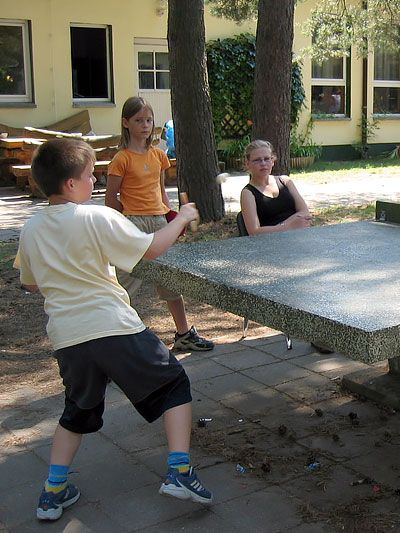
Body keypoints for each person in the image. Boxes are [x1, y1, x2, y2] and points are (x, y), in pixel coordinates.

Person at [15, 138, 213, 522]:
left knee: (77, 409)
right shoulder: (95, 217)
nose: (95, 184)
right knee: (174, 384)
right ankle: (180, 472)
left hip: (68, 340)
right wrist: (183, 217)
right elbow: (152, 248)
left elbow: (32, 283)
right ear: (71, 184)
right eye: (90, 177)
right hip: (113, 327)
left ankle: (52, 493)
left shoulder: (31, 230)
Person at [105, 96, 214, 352]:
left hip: (159, 223)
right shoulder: (121, 159)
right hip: (133, 225)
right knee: (125, 287)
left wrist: (170, 219)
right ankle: (112, 344)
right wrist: (130, 221)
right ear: (125, 123)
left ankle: (184, 333)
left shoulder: (158, 156)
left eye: (149, 120)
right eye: (138, 120)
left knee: (170, 281)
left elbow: (161, 192)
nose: (145, 125)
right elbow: (111, 199)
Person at [239, 139, 312, 236]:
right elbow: (254, 231)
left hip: (298, 236)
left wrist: (290, 225)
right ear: (247, 164)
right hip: (270, 243)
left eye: (266, 159)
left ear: (272, 161)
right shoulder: (248, 193)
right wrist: (288, 227)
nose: (263, 163)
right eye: (257, 160)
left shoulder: (285, 181)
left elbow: (304, 211)